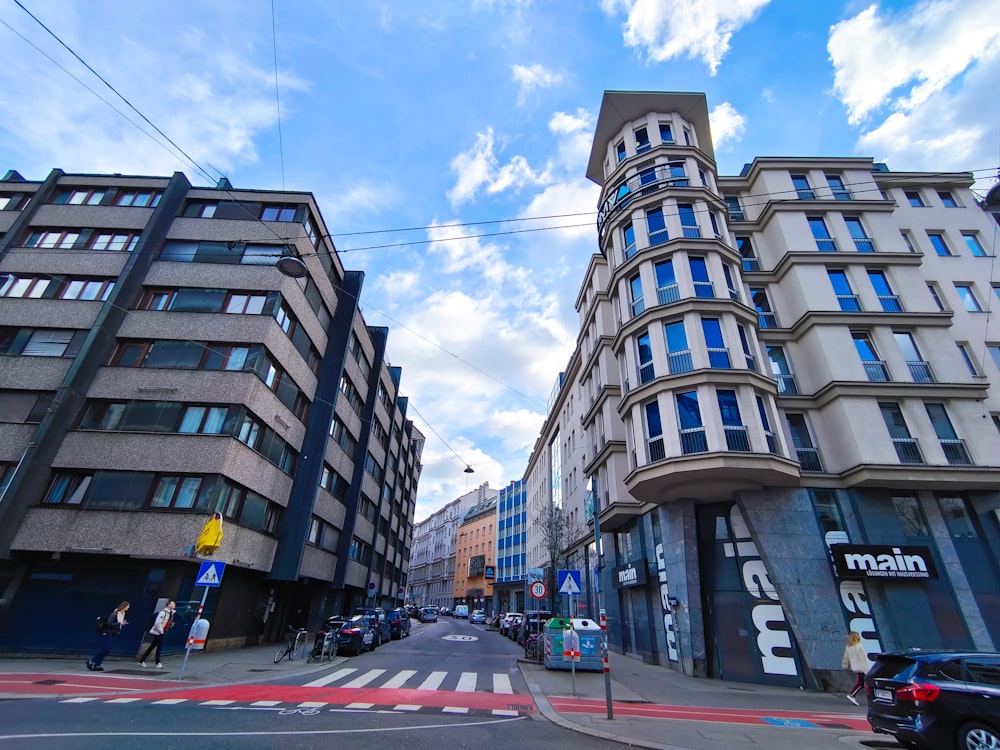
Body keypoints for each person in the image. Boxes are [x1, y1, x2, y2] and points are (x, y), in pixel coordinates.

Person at [88, 601, 129, 672]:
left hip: (111, 633)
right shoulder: (115, 613)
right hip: (106, 632)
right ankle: (92, 660)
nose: (128, 607)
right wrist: (119, 623)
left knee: (106, 650)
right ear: (124, 606)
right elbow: (109, 623)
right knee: (106, 649)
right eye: (128, 606)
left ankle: (97, 665)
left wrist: (121, 624)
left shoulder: (122, 614)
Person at [138, 601, 175, 668]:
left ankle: (141, 661)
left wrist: (170, 625)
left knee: (152, 646)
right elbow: (157, 623)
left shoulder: (171, 613)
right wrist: (161, 631)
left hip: (162, 631)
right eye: (172, 604)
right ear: (168, 605)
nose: (174, 605)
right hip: (158, 632)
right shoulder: (163, 613)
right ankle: (157, 662)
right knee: (159, 646)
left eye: (174, 604)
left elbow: (166, 622)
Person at [843, 630, 871, 705]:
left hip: (856, 666)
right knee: (864, 683)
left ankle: (853, 695)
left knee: (862, 682)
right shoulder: (859, 646)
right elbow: (863, 658)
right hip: (862, 667)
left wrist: (845, 665)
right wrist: (867, 669)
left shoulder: (849, 647)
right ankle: (852, 695)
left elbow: (846, 657)